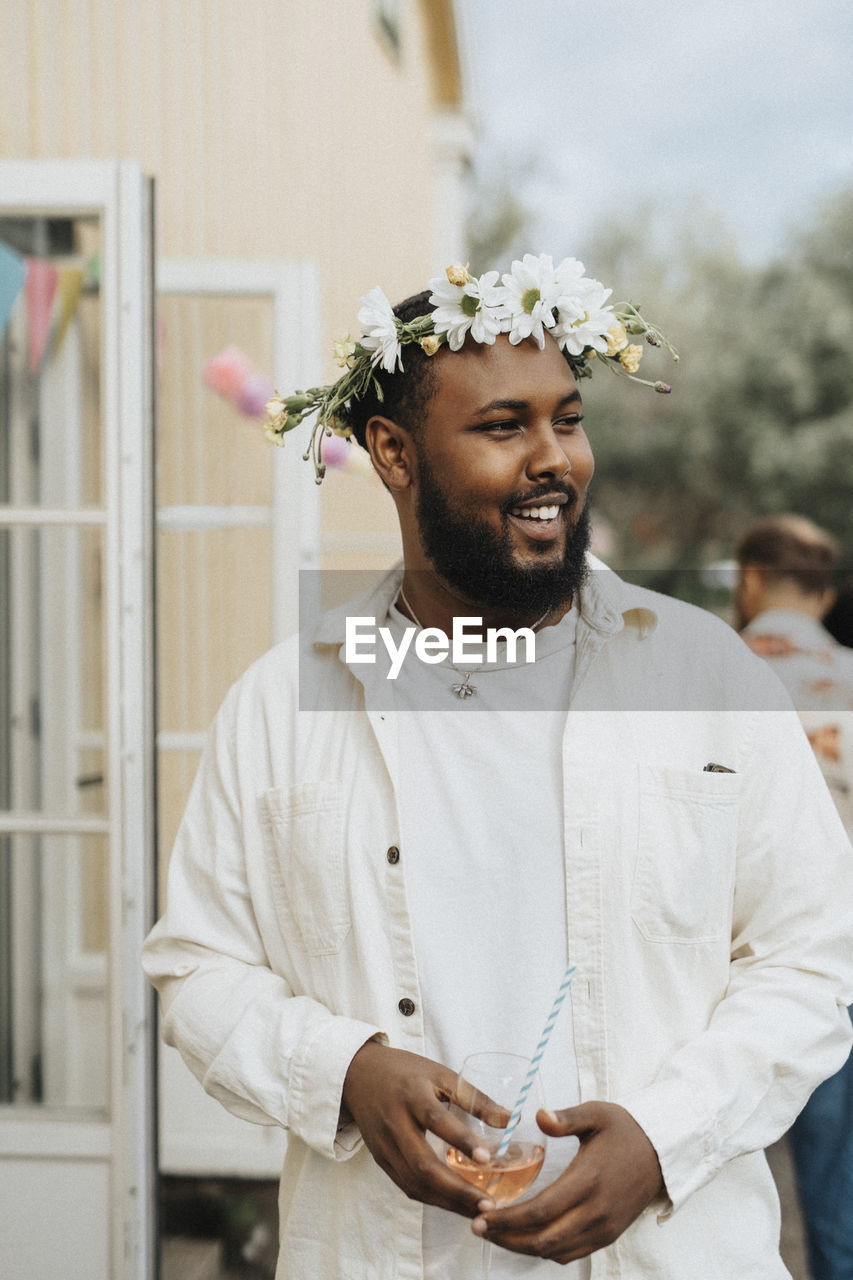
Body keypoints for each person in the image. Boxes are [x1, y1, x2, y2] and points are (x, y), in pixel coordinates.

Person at [143, 256, 853, 1279]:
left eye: (566, 418)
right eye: (501, 425)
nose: (551, 457)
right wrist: (345, 1071)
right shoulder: (280, 702)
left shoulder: (706, 671)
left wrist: (662, 1137)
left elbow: (810, 958)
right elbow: (196, 968)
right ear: (391, 451)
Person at [735, 513, 853, 1280]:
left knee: (702, 1178)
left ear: (749, 581)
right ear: (825, 592)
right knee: (837, 1186)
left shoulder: (708, 677)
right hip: (840, 959)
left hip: (727, 964)